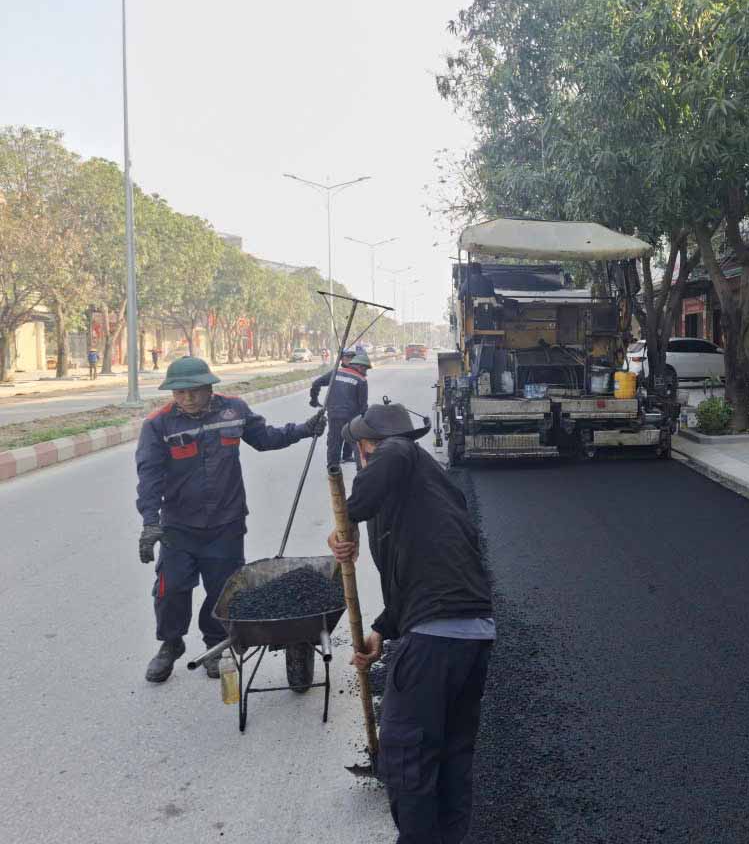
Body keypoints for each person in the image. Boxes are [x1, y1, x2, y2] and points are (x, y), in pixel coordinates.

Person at [327, 403, 493, 844]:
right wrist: (382, 630)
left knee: (407, 753)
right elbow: (419, 576)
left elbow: (393, 453)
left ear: (367, 449)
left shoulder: (398, 455)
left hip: (437, 640)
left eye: (364, 452)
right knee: (453, 754)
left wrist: (349, 514)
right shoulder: (429, 494)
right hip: (472, 635)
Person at [135, 357, 325, 683]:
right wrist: (150, 521)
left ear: (210, 386)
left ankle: (214, 646)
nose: (188, 398)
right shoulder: (158, 425)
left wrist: (304, 430)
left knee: (223, 590)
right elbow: (149, 477)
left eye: (195, 390)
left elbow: (266, 438)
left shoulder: (233, 410)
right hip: (179, 527)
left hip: (226, 523)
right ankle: (170, 643)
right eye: (180, 392)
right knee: (171, 589)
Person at [310, 350, 372, 467]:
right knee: (357, 442)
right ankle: (362, 471)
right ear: (359, 366)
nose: (365, 372)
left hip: (334, 414)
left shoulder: (335, 373)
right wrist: (366, 421)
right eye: (365, 369)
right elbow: (363, 406)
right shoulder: (361, 380)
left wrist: (314, 400)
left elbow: (316, 383)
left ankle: (333, 469)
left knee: (334, 441)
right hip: (351, 416)